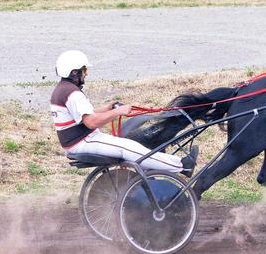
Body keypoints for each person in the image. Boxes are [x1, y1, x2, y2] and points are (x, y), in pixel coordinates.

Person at [49, 50, 188, 174]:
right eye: (84, 70)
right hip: (82, 142)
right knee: (128, 148)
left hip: (78, 141)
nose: (86, 74)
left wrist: (107, 108)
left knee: (129, 146)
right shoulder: (72, 93)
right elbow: (91, 122)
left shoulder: (62, 89)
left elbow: (84, 114)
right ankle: (181, 165)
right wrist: (118, 112)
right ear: (74, 72)